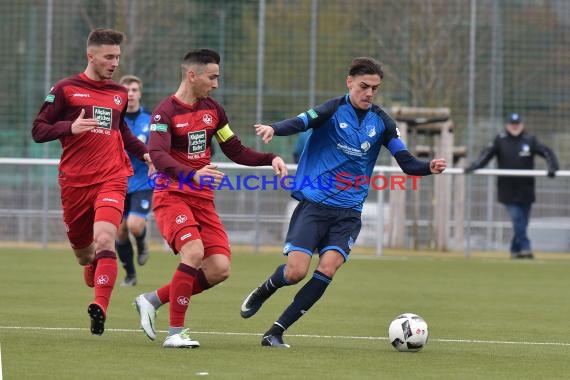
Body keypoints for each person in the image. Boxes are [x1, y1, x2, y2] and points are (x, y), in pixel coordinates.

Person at [239, 57, 447, 348]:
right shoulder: (333, 109)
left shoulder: (383, 122)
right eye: (364, 86)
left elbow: (407, 162)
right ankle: (265, 289)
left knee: (327, 269)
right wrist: (274, 128)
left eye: (375, 88)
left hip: (348, 213)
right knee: (296, 271)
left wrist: (429, 167)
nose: (369, 93)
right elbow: (302, 121)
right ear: (349, 82)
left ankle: (275, 331)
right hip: (314, 205)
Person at [134, 48, 287, 348]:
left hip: (202, 200)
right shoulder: (164, 113)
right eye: (212, 77)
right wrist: (193, 175)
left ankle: (152, 300)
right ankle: (175, 332)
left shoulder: (214, 111)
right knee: (192, 252)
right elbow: (158, 155)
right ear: (192, 75)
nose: (216, 84)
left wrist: (270, 158)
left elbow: (235, 149)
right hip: (172, 195)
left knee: (219, 269)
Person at [31, 28, 151, 335]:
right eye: (109, 57)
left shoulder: (119, 94)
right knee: (86, 254)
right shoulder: (65, 89)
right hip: (75, 183)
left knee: (105, 238)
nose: (114, 63)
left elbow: (121, 132)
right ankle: (91, 266)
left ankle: (100, 307)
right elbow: (38, 129)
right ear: (91, 56)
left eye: (118, 57)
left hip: (112, 177)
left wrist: (146, 154)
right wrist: (69, 127)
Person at [465, 113, 559, 259]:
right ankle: (526, 248)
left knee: (523, 222)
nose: (515, 126)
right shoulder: (500, 140)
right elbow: (486, 155)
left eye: (517, 123)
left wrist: (553, 167)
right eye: (512, 124)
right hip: (507, 189)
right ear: (507, 125)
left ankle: (515, 250)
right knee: (517, 219)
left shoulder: (530, 140)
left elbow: (547, 152)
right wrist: (474, 166)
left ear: (522, 124)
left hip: (526, 189)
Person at [115, 75, 153, 286]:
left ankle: (142, 243)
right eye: (126, 90)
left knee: (135, 225)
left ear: (140, 93)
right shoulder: (113, 119)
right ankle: (130, 275)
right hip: (118, 182)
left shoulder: (150, 120)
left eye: (134, 90)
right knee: (119, 232)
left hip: (142, 182)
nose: (130, 94)